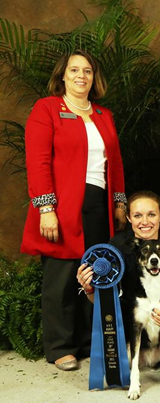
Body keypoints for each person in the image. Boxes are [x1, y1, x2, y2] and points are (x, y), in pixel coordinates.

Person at [20, 49, 126, 371]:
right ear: (62, 75)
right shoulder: (48, 109)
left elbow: (116, 164)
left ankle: (87, 343)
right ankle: (59, 346)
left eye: (88, 71)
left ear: (94, 78)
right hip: (62, 206)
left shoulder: (104, 115)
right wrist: (45, 208)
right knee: (62, 280)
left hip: (99, 205)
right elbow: (37, 162)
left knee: (95, 274)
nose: (81, 76)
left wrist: (120, 202)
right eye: (74, 70)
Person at [76, 191, 160, 362]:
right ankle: (130, 356)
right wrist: (89, 287)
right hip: (132, 316)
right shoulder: (117, 246)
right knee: (114, 322)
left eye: (151, 214)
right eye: (138, 215)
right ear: (129, 218)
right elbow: (106, 303)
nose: (145, 222)